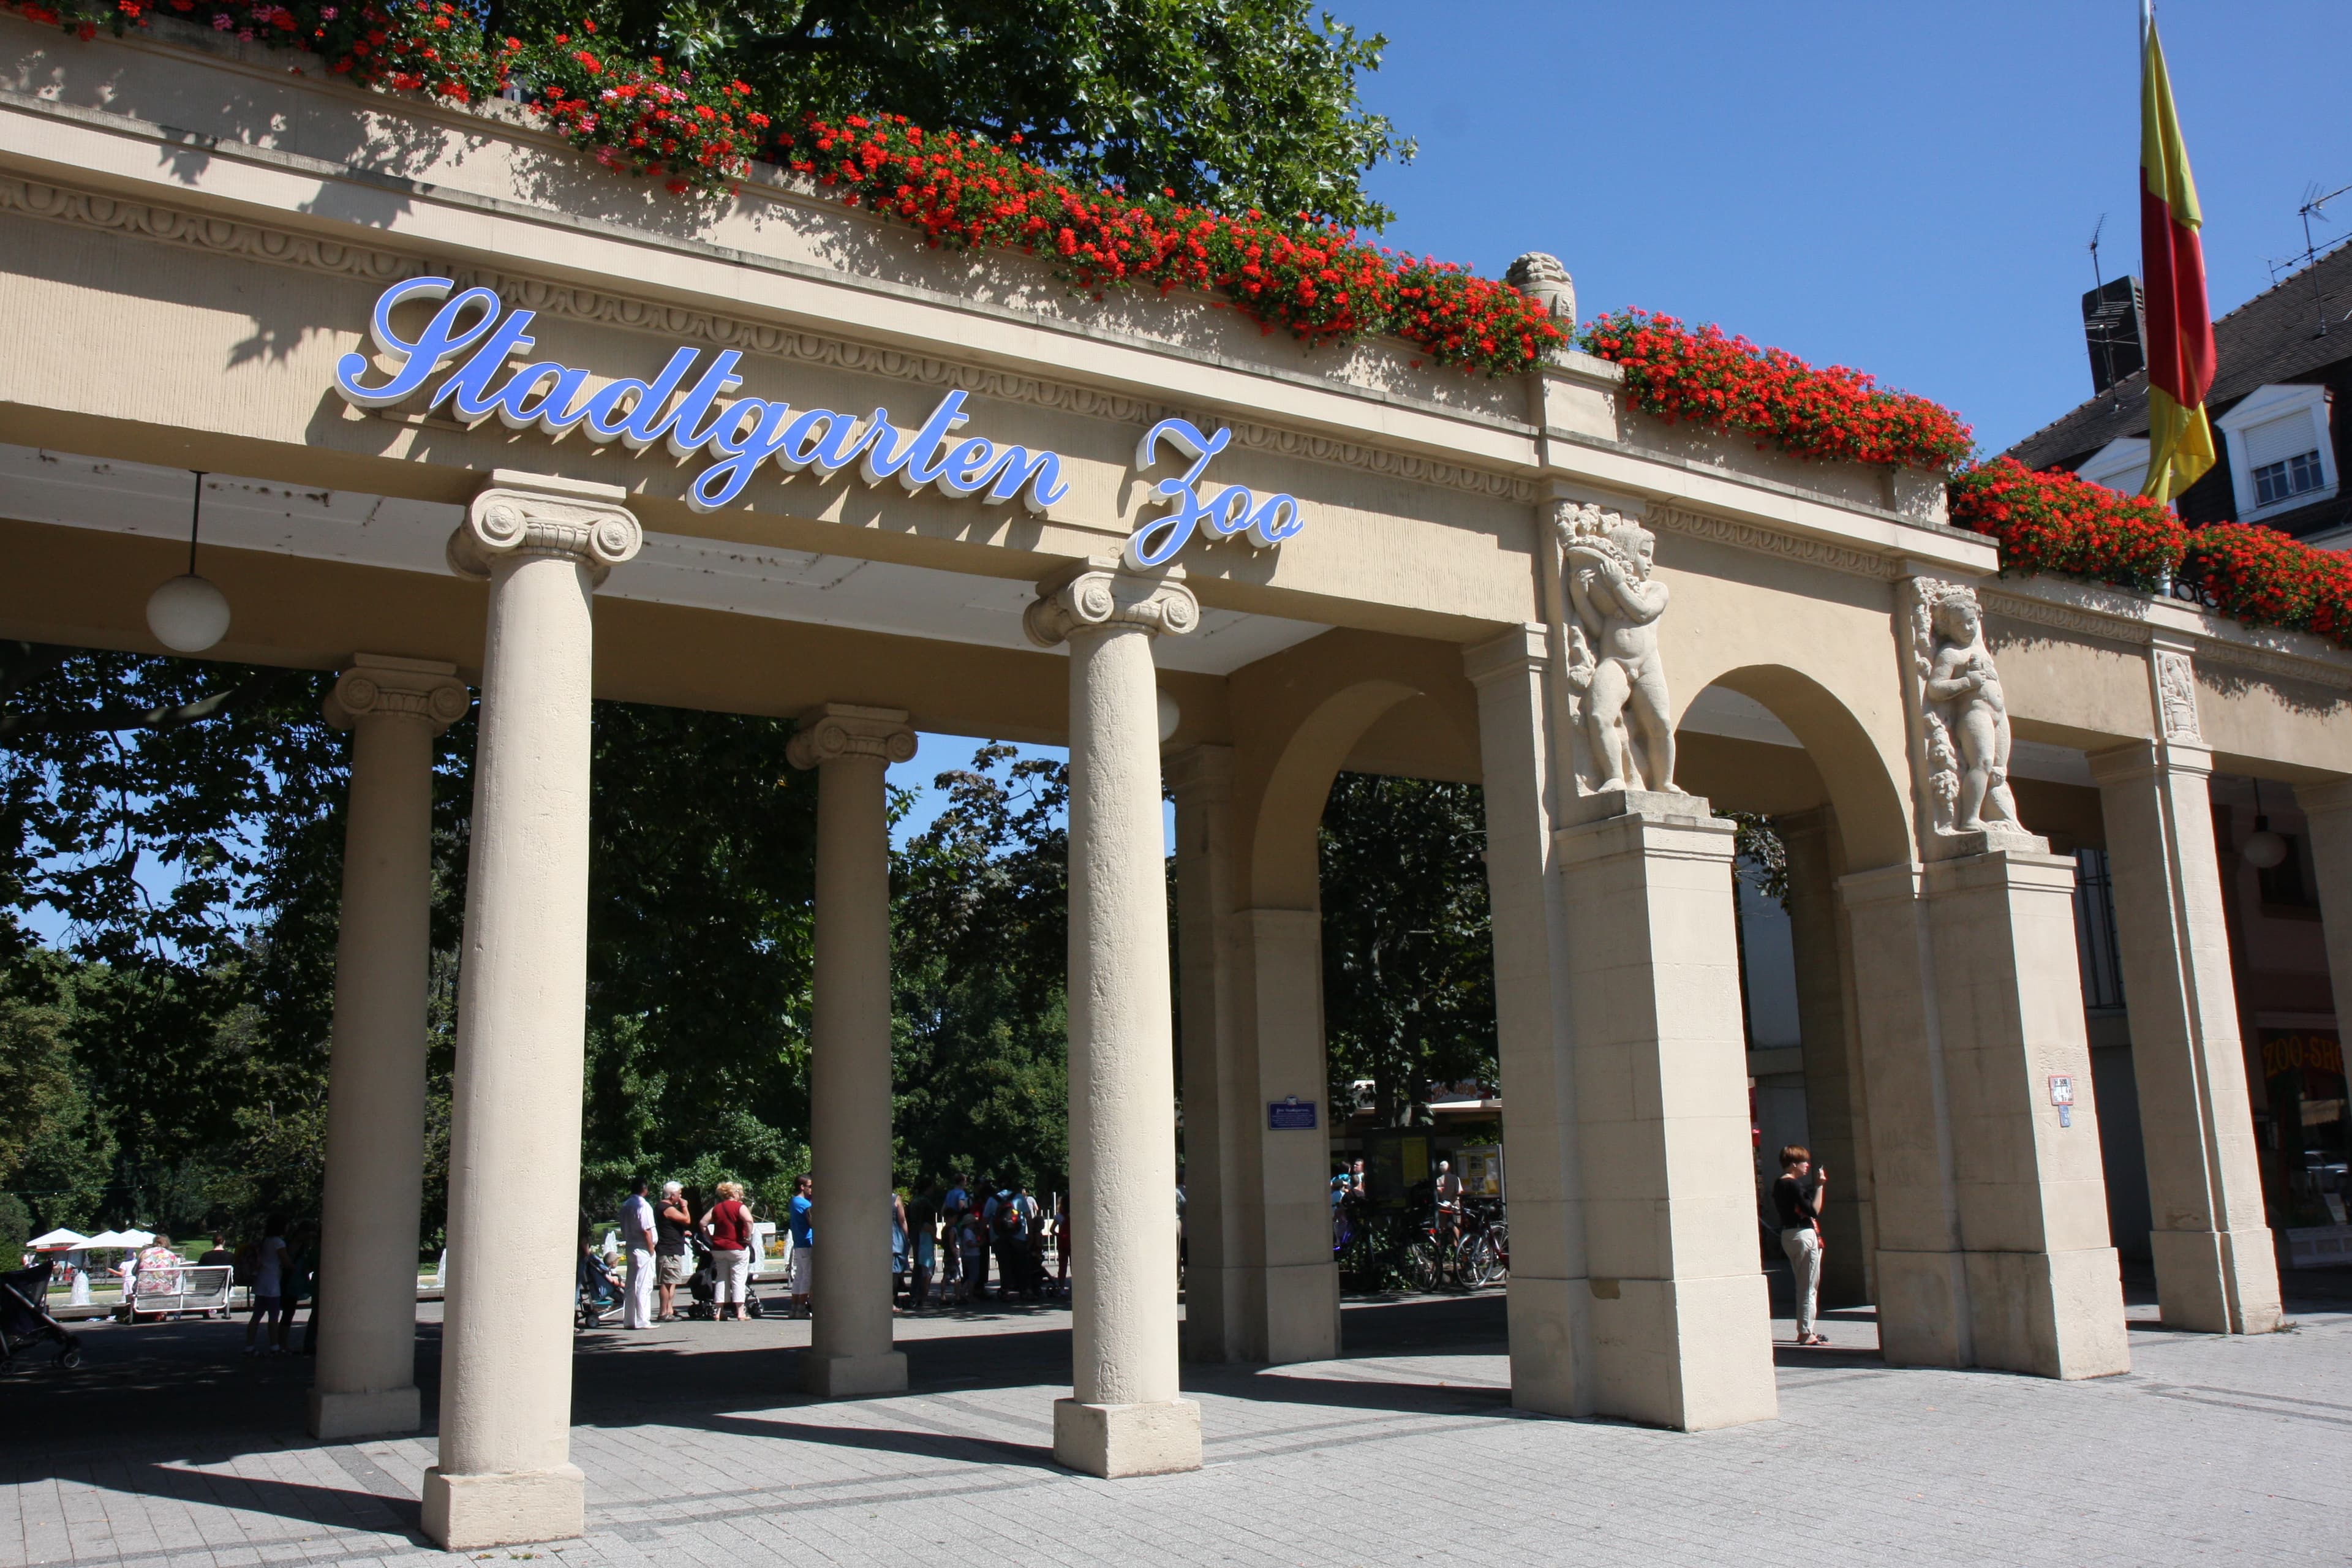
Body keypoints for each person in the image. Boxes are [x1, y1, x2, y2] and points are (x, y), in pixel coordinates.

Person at [1773, 1145, 1830, 1347]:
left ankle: (1805, 1330)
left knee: (1803, 1282)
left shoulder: (1779, 1184)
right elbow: (1813, 1211)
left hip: (1788, 1234)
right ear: (1793, 1164)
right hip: (1804, 1234)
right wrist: (1820, 1186)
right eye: (1804, 1162)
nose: (1807, 1165)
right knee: (1808, 1286)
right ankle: (1806, 1332)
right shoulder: (1794, 1185)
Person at [701, 1180, 754, 1322]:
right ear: (734, 1193)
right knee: (738, 1279)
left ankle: (719, 1312)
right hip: (737, 1247)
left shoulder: (716, 1208)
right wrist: (748, 1237)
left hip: (719, 1249)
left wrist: (711, 1239)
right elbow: (749, 1221)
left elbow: (703, 1223)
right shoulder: (739, 1207)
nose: (741, 1195)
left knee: (721, 1278)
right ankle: (740, 1312)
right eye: (740, 1193)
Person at [245, 1216, 291, 1356]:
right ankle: (275, 1346)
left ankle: (249, 1346)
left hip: (261, 1280)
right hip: (273, 1283)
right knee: (273, 1316)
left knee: (256, 1316)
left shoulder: (265, 1241)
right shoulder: (279, 1243)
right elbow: (286, 1262)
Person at [619, 1178, 657, 1330]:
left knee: (631, 1284)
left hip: (631, 1245)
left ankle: (630, 1319)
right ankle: (643, 1319)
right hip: (643, 1247)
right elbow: (646, 1229)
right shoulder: (643, 1206)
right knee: (644, 1284)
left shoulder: (626, 1205)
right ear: (645, 1190)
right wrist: (651, 1249)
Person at [654, 1181, 693, 1323]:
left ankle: (669, 1310)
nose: (681, 1197)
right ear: (672, 1195)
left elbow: (670, 1226)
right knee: (667, 1282)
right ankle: (663, 1312)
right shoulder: (667, 1208)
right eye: (679, 1194)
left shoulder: (662, 1207)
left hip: (672, 1248)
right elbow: (686, 1220)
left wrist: (682, 1233)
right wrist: (684, 1206)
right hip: (668, 1250)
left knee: (672, 1281)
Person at [787, 1174, 815, 1317]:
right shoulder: (805, 1204)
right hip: (807, 1242)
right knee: (807, 1277)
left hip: (799, 1242)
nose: (812, 1189)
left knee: (799, 1276)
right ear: (802, 1187)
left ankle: (795, 1308)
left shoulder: (794, 1201)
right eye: (810, 1186)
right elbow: (813, 1221)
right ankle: (801, 1308)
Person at [957, 1208, 989, 1303]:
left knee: (971, 1277)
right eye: (973, 1223)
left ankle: (963, 1292)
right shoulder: (968, 1232)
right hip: (972, 1256)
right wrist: (979, 1244)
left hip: (970, 1255)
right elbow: (969, 1244)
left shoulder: (967, 1232)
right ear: (969, 1223)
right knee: (973, 1277)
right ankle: (969, 1295)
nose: (975, 1225)